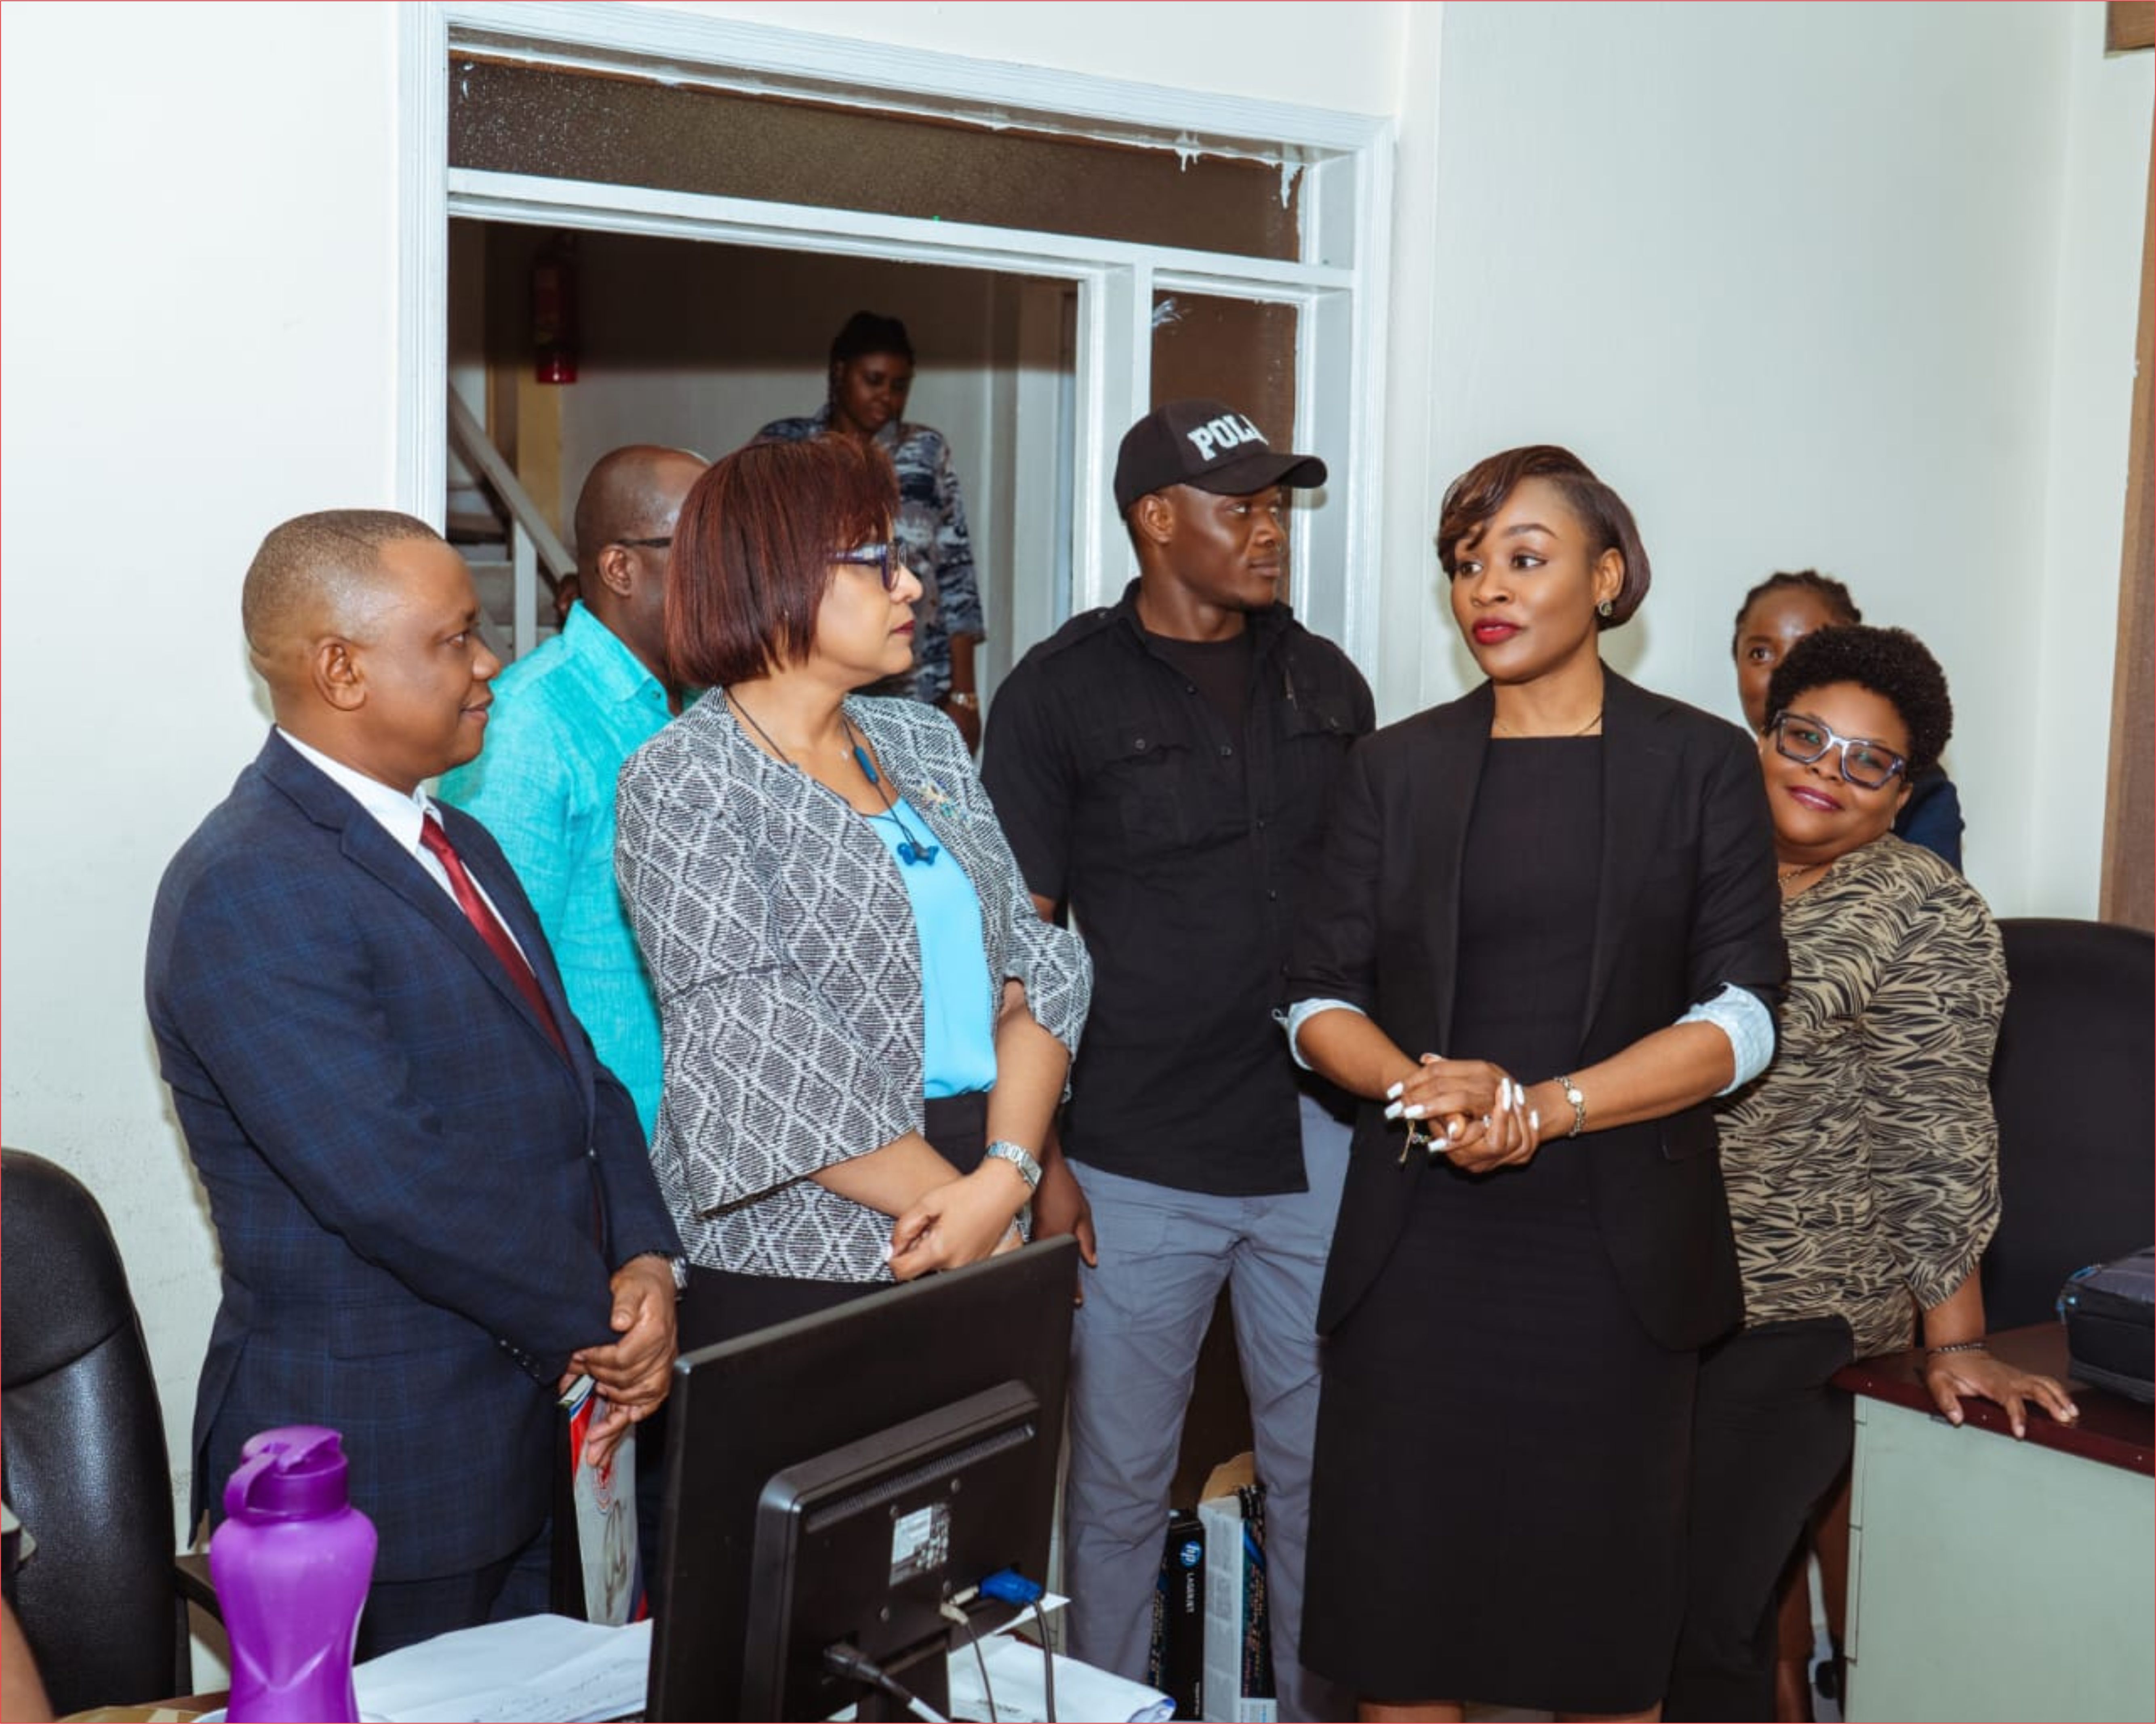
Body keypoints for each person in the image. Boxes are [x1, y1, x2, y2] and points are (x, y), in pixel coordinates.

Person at [1282, 445, 1785, 1720]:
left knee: (1599, 1646)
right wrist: (1420, 1090)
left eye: (1522, 557)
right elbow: (1310, 999)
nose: (1484, 592)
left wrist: (1543, 1109)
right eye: (1464, 566)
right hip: (1419, 1254)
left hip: (1609, 1265)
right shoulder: (1394, 768)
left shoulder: (1698, 765)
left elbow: (1738, 1019)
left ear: (1606, 577)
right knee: (1401, 1638)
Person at [145, 511, 683, 1658]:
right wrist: (601, 1315)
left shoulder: (460, 846)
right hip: (386, 1459)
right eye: (455, 639)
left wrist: (645, 1259)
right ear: (342, 668)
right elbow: (393, 1180)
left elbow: (585, 1083)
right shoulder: (249, 885)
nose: (490, 662)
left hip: (533, 1425)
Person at [981, 397, 1374, 1722]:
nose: (1269, 529)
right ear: (1156, 518)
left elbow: (1370, 915)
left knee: (1327, 1476)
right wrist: (1032, 1156)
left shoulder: (1327, 683)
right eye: (1239, 506)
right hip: (1133, 1159)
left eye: (1279, 505)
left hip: (1315, 1146)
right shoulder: (1058, 693)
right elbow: (1022, 945)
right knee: (1115, 1490)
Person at [1665, 624, 2076, 1722]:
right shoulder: (1688, 866)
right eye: (1806, 737)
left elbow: (1933, 1131)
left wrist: (1957, 1341)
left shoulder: (1923, 912)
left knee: (1699, 1624)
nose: (1825, 773)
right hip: (1646, 1291)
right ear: (1765, 734)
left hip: (1798, 1316)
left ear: (1905, 792)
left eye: (1869, 760)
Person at [614, 436, 1091, 1350]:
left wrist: (1005, 1175)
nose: (911, 586)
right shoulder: (684, 777)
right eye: (877, 560)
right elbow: (758, 1047)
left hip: (983, 1165)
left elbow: (1043, 964)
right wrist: (967, 1213)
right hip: (797, 1238)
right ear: (775, 573)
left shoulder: (923, 741)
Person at [439, 444, 707, 1139]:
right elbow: (498, 991)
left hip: (718, 1150)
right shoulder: (526, 721)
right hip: (610, 1156)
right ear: (621, 568)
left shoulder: (714, 703)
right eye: (703, 551)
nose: (727, 576)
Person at [757, 311, 987, 748]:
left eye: (899, 387)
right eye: (874, 380)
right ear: (839, 372)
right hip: (811, 677)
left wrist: (965, 696)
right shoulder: (785, 448)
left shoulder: (925, 452)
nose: (887, 398)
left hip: (916, 683)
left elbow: (957, 574)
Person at [1731, 569, 1963, 869]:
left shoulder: (1923, 800)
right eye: (1760, 653)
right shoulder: (1713, 772)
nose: (1783, 670)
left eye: (1866, 759)